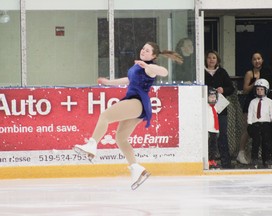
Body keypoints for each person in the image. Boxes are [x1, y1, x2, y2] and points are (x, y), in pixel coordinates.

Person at [73, 42, 183, 190]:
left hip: (137, 102)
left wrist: (148, 66)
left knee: (105, 115)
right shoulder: (137, 66)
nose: (143, 51)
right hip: (135, 102)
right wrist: (108, 82)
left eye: (147, 50)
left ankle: (92, 145)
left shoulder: (149, 68)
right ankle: (136, 169)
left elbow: (164, 72)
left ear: (154, 56)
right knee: (121, 138)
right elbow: (129, 80)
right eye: (143, 48)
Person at [204, 50, 235, 169]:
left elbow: (231, 88)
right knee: (209, 135)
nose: (211, 60)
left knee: (222, 134)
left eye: (214, 58)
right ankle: (209, 159)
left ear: (217, 60)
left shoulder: (222, 72)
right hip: (206, 109)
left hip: (220, 109)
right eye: (209, 57)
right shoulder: (201, 72)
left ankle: (226, 162)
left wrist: (223, 89)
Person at [237, 51, 265, 165]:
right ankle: (241, 152)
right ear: (252, 61)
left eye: (259, 58)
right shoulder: (250, 73)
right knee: (248, 128)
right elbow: (245, 89)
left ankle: (262, 153)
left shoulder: (266, 72)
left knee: (263, 128)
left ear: (262, 60)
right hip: (250, 103)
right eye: (254, 59)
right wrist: (256, 83)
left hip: (263, 103)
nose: (257, 61)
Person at [247, 78, 272, 169]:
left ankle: (268, 159)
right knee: (256, 142)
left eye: (262, 89)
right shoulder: (252, 102)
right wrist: (249, 124)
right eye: (257, 89)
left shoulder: (270, 102)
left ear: (266, 90)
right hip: (256, 124)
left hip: (266, 124)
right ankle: (254, 159)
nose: (259, 91)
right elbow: (250, 113)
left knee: (267, 142)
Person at [207, 87, 220, 169]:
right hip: (208, 129)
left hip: (214, 129)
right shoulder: (205, 107)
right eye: (211, 97)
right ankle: (207, 160)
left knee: (213, 146)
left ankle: (212, 159)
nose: (213, 99)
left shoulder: (216, 107)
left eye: (214, 97)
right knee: (208, 146)